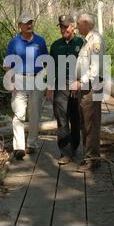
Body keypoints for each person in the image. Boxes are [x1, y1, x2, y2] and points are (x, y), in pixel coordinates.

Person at [3, 13, 48, 160]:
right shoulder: (14, 42)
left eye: (31, 22)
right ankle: (19, 147)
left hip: (36, 80)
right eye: (25, 23)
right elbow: (7, 65)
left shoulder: (40, 41)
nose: (29, 25)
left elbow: (46, 62)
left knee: (34, 114)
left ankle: (32, 144)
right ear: (19, 26)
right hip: (19, 80)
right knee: (19, 114)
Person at [46, 15, 84, 165]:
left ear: (73, 26)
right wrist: (49, 86)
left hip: (77, 87)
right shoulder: (55, 45)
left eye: (66, 26)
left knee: (76, 119)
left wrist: (80, 82)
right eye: (61, 27)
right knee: (62, 120)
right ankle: (65, 152)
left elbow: (88, 65)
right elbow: (51, 67)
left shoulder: (81, 43)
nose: (63, 29)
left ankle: (74, 147)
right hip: (60, 86)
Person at [72, 13, 105, 171]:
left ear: (86, 23)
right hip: (86, 87)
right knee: (85, 122)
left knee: (91, 123)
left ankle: (93, 160)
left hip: (92, 87)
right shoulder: (87, 41)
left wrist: (81, 82)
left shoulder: (95, 40)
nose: (77, 26)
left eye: (78, 23)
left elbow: (95, 68)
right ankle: (88, 157)